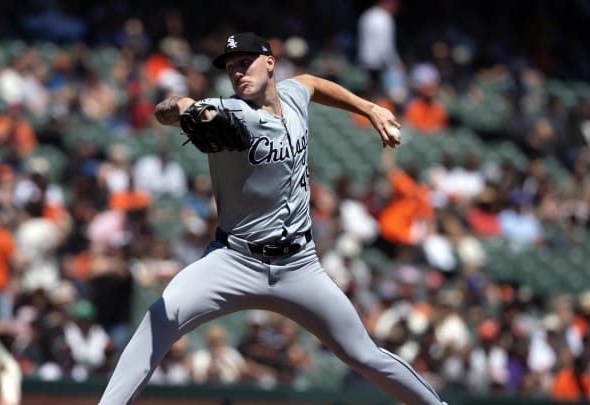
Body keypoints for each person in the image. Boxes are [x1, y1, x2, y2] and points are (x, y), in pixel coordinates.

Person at [98, 32, 446, 405]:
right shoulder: (228, 111)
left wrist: (370, 109)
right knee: (159, 320)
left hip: (299, 265)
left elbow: (312, 84)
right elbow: (163, 111)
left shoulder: (294, 98)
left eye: (244, 61)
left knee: (362, 353)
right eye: (231, 66)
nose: (237, 71)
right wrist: (185, 106)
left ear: (270, 62)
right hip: (233, 260)